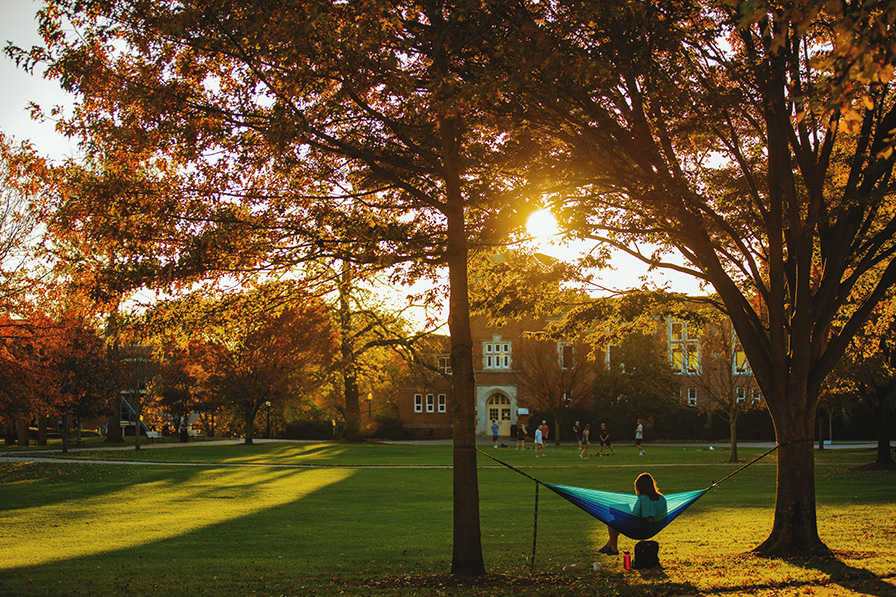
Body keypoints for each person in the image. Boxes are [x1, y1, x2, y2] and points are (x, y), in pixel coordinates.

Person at [597, 472, 667, 555]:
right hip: (655, 528)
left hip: (641, 529)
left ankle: (614, 549)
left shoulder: (641, 500)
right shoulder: (662, 498)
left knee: (612, 523)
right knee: (617, 523)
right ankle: (608, 545)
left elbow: (634, 516)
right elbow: (664, 515)